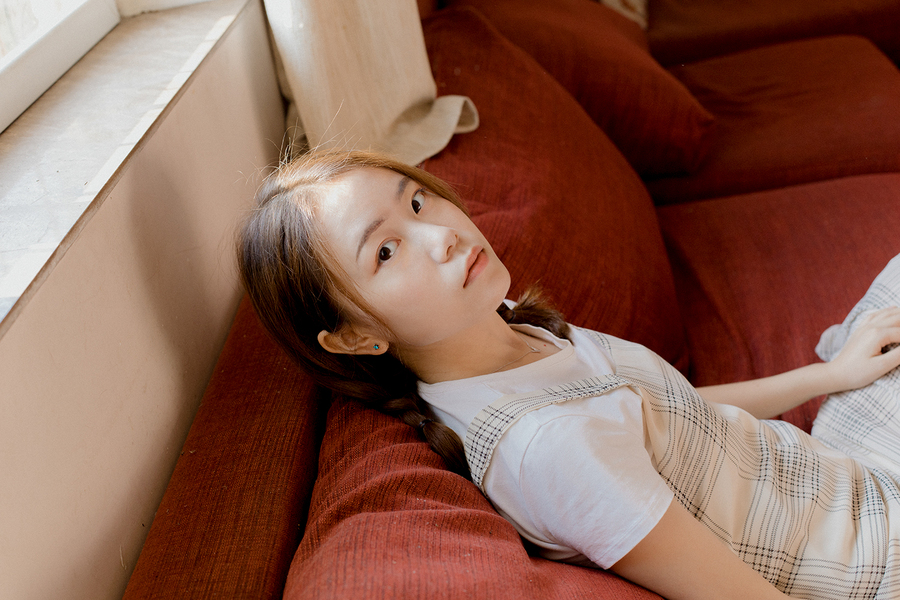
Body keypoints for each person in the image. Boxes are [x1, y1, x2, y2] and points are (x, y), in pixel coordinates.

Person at [237, 148, 900, 600]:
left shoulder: (504, 327)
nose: (441, 234)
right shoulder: (548, 448)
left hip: (843, 477)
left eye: (416, 202)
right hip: (870, 562)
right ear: (355, 337)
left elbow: (677, 412)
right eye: (386, 250)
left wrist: (831, 375)